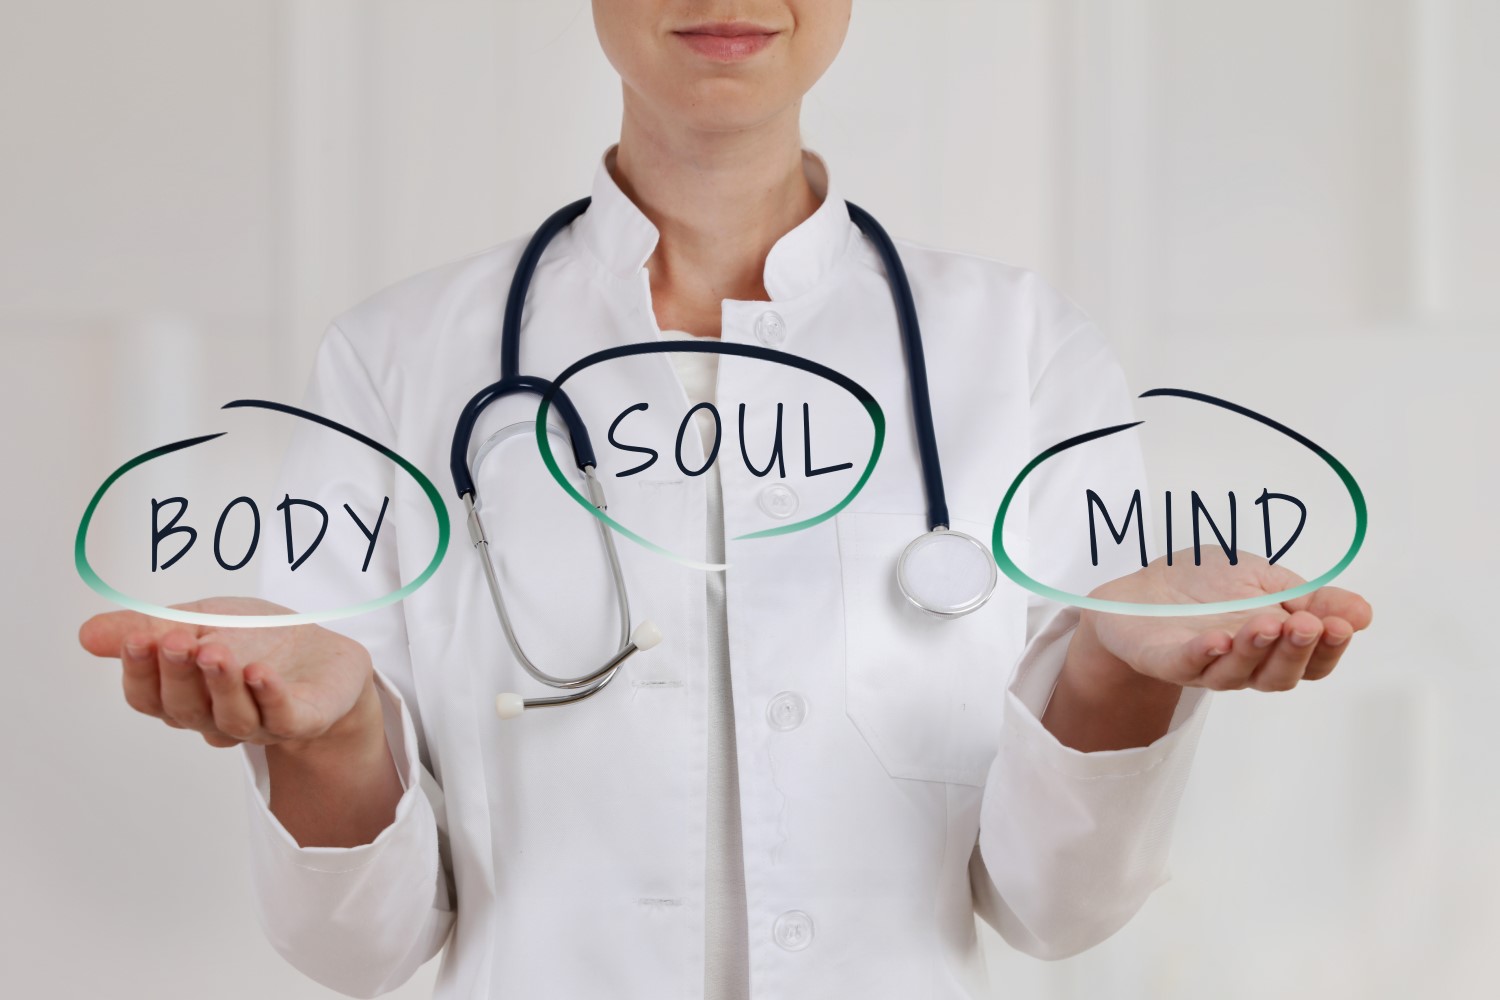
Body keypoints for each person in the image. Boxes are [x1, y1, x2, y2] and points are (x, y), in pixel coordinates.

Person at [78, 2, 1373, 998]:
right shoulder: (400, 357)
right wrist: (329, 730)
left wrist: (1121, 672)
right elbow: (361, 947)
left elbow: (1054, 910)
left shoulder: (1019, 349)